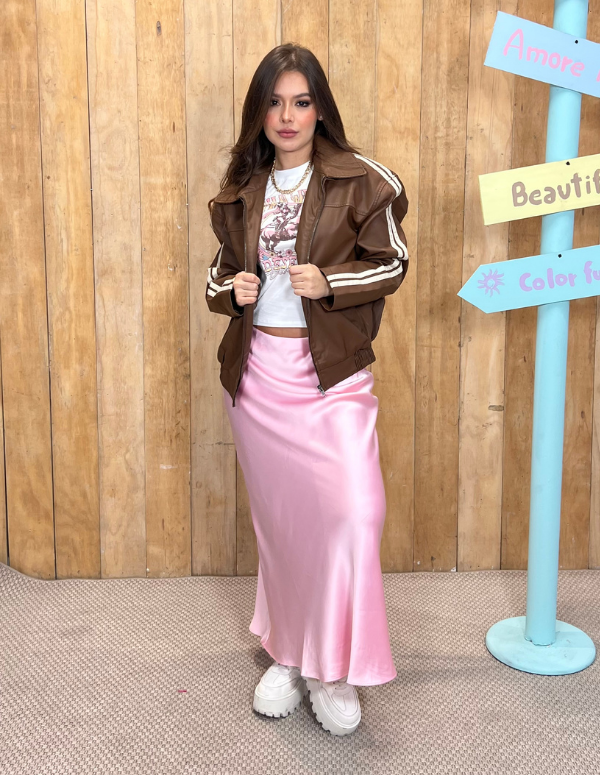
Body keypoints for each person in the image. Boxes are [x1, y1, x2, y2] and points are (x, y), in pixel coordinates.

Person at [205, 43, 409, 736]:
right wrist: (232, 290)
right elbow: (216, 276)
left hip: (330, 377)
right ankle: (290, 655)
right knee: (285, 531)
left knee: (353, 514)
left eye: (300, 101)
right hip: (258, 379)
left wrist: (332, 282)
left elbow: (393, 261)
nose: (287, 116)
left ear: (320, 108)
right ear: (259, 112)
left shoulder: (362, 181)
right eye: (274, 102)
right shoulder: (243, 189)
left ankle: (334, 668)